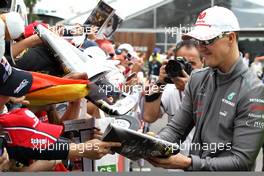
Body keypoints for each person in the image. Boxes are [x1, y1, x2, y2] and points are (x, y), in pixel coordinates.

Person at [148, 6, 264, 171]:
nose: (200, 47)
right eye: (198, 41)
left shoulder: (253, 89)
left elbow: (242, 161)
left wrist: (188, 163)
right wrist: (154, 143)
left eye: (207, 40)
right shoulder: (198, 78)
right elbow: (176, 129)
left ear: (231, 38)